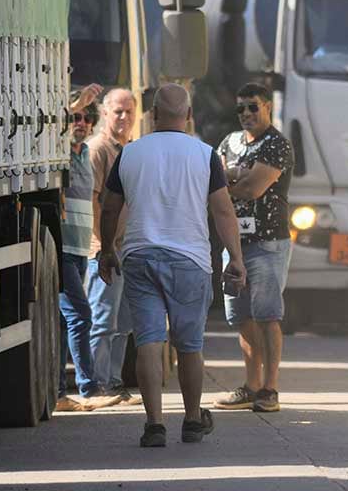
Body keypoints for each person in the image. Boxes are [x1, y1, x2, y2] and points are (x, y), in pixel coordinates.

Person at [99, 83, 245, 447]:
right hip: (190, 260)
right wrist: (236, 258)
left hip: (140, 256)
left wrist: (106, 250)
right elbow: (223, 209)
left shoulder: (130, 153)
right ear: (190, 116)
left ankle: (154, 425)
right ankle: (193, 421)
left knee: (149, 340)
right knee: (189, 345)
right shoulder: (204, 154)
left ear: (151, 115)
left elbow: (110, 207)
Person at [214, 83, 294, 413]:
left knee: (267, 316)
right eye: (241, 109)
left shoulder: (276, 145)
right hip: (234, 244)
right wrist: (236, 175)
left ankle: (270, 389)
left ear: (267, 107)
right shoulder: (228, 142)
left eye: (253, 107)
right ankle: (251, 385)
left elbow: (253, 189)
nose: (246, 114)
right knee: (241, 317)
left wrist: (231, 178)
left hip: (267, 243)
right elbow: (214, 183)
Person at [55, 84, 125, 412]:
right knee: (81, 314)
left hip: (80, 247)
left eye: (87, 117)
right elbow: (53, 129)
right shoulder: (63, 150)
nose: (81, 122)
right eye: (76, 117)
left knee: (67, 318)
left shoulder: (83, 153)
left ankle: (60, 391)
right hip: (62, 246)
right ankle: (87, 387)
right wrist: (72, 106)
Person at [87, 88, 142, 405]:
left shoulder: (131, 151)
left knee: (123, 324)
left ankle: (115, 383)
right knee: (103, 320)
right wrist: (102, 245)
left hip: (126, 250)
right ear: (105, 113)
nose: (123, 117)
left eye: (129, 111)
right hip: (104, 252)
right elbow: (93, 201)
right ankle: (99, 385)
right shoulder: (99, 150)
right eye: (117, 111)